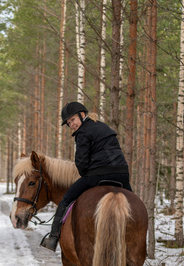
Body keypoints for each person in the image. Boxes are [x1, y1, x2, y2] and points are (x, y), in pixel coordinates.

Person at [40, 101, 132, 251]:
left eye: (73, 120)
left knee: (65, 200)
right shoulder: (104, 126)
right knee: (133, 205)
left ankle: (53, 237)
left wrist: (85, 173)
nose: (71, 125)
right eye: (69, 123)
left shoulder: (82, 132)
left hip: (98, 176)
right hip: (122, 174)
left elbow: (81, 164)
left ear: (82, 115)